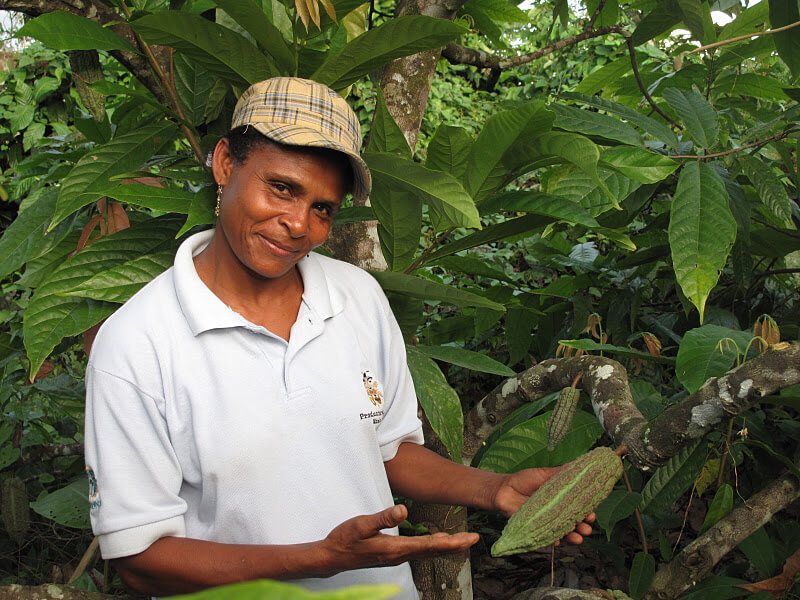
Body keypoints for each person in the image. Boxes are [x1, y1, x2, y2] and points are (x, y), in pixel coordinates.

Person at [84, 77, 594, 599]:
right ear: (223, 164)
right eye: (281, 188)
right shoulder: (137, 344)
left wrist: (496, 488)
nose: (297, 224)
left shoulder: (357, 297)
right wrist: (319, 560)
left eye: (323, 208)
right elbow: (141, 560)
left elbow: (388, 450)